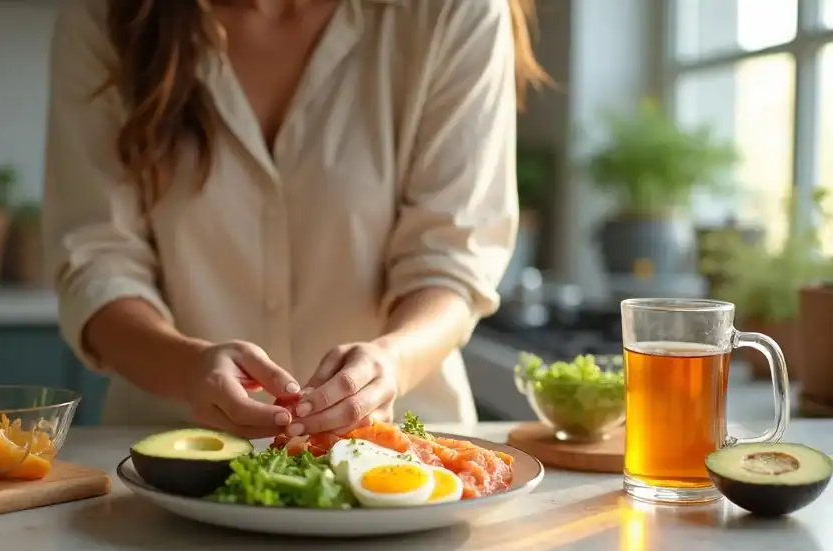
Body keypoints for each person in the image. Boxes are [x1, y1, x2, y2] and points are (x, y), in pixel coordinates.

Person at [43, 0, 549, 439]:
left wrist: (392, 361)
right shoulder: (107, 15)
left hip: (400, 457)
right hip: (172, 452)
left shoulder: (452, 11)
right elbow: (97, 260)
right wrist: (188, 368)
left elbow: (452, 259)